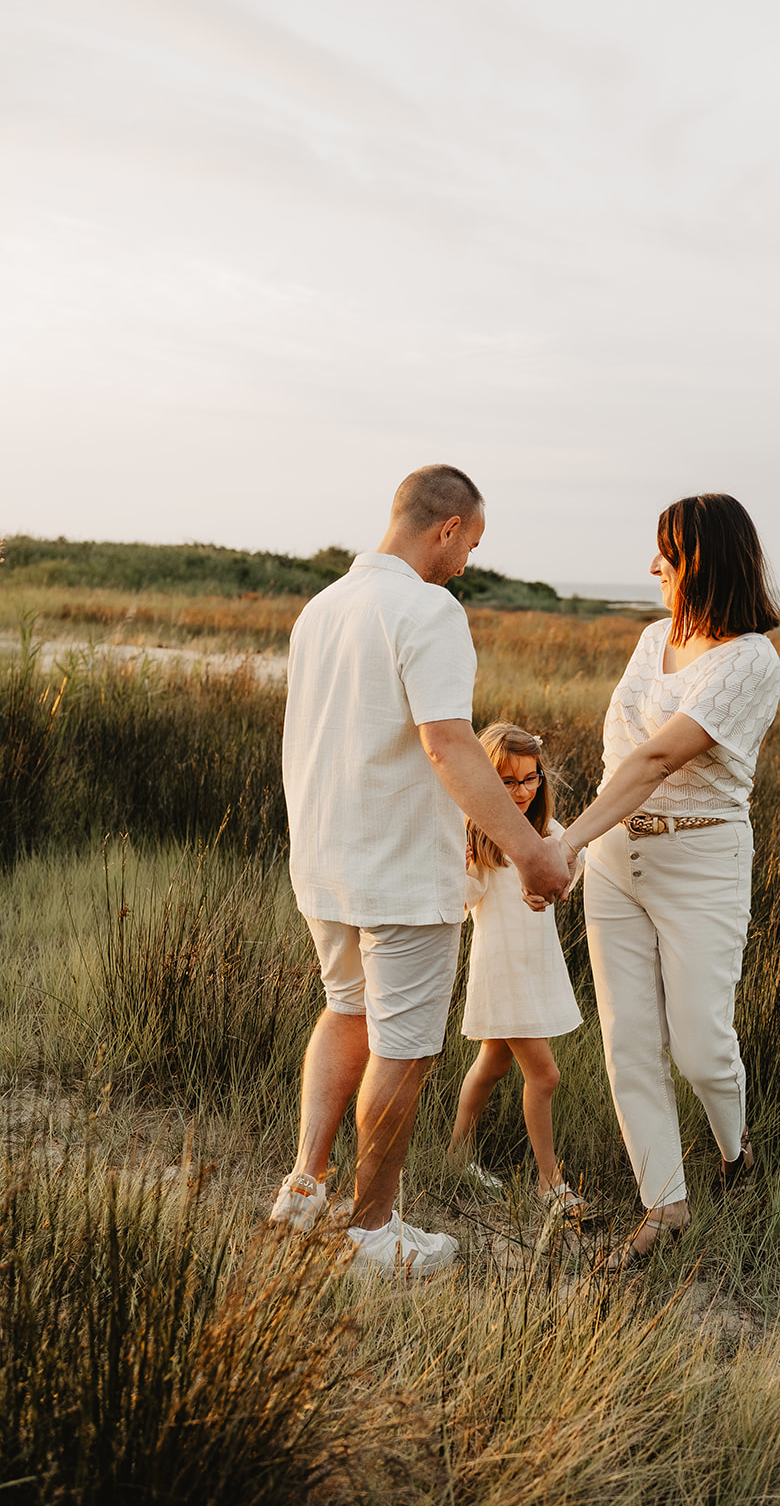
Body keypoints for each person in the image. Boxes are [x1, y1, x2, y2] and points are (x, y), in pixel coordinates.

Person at [271, 465, 570, 1277]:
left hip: (324, 856)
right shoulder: (428, 609)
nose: (467, 562)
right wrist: (530, 850)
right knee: (403, 1049)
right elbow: (448, 744)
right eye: (470, 544)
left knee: (347, 1013)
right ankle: (372, 1233)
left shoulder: (321, 608)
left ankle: (304, 1192)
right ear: (445, 528)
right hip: (397, 865)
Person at [558, 494, 780, 1268]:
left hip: (702, 861)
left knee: (700, 1046)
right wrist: (588, 846)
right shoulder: (653, 638)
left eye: (668, 553)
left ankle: (735, 1152)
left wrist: (564, 843)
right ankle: (664, 1206)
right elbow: (618, 752)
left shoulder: (751, 659)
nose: (653, 566)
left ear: (705, 562)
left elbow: (654, 759)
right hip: (617, 859)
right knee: (627, 1041)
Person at [448, 723, 586, 1216]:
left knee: (494, 1063)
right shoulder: (481, 839)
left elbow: (572, 869)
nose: (523, 790)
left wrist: (565, 862)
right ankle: (550, 1184)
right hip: (503, 971)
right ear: (486, 783)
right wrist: (458, 863)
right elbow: (463, 903)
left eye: (531, 778)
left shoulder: (548, 834)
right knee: (544, 1076)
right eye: (507, 782)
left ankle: (455, 1156)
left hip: (535, 967)